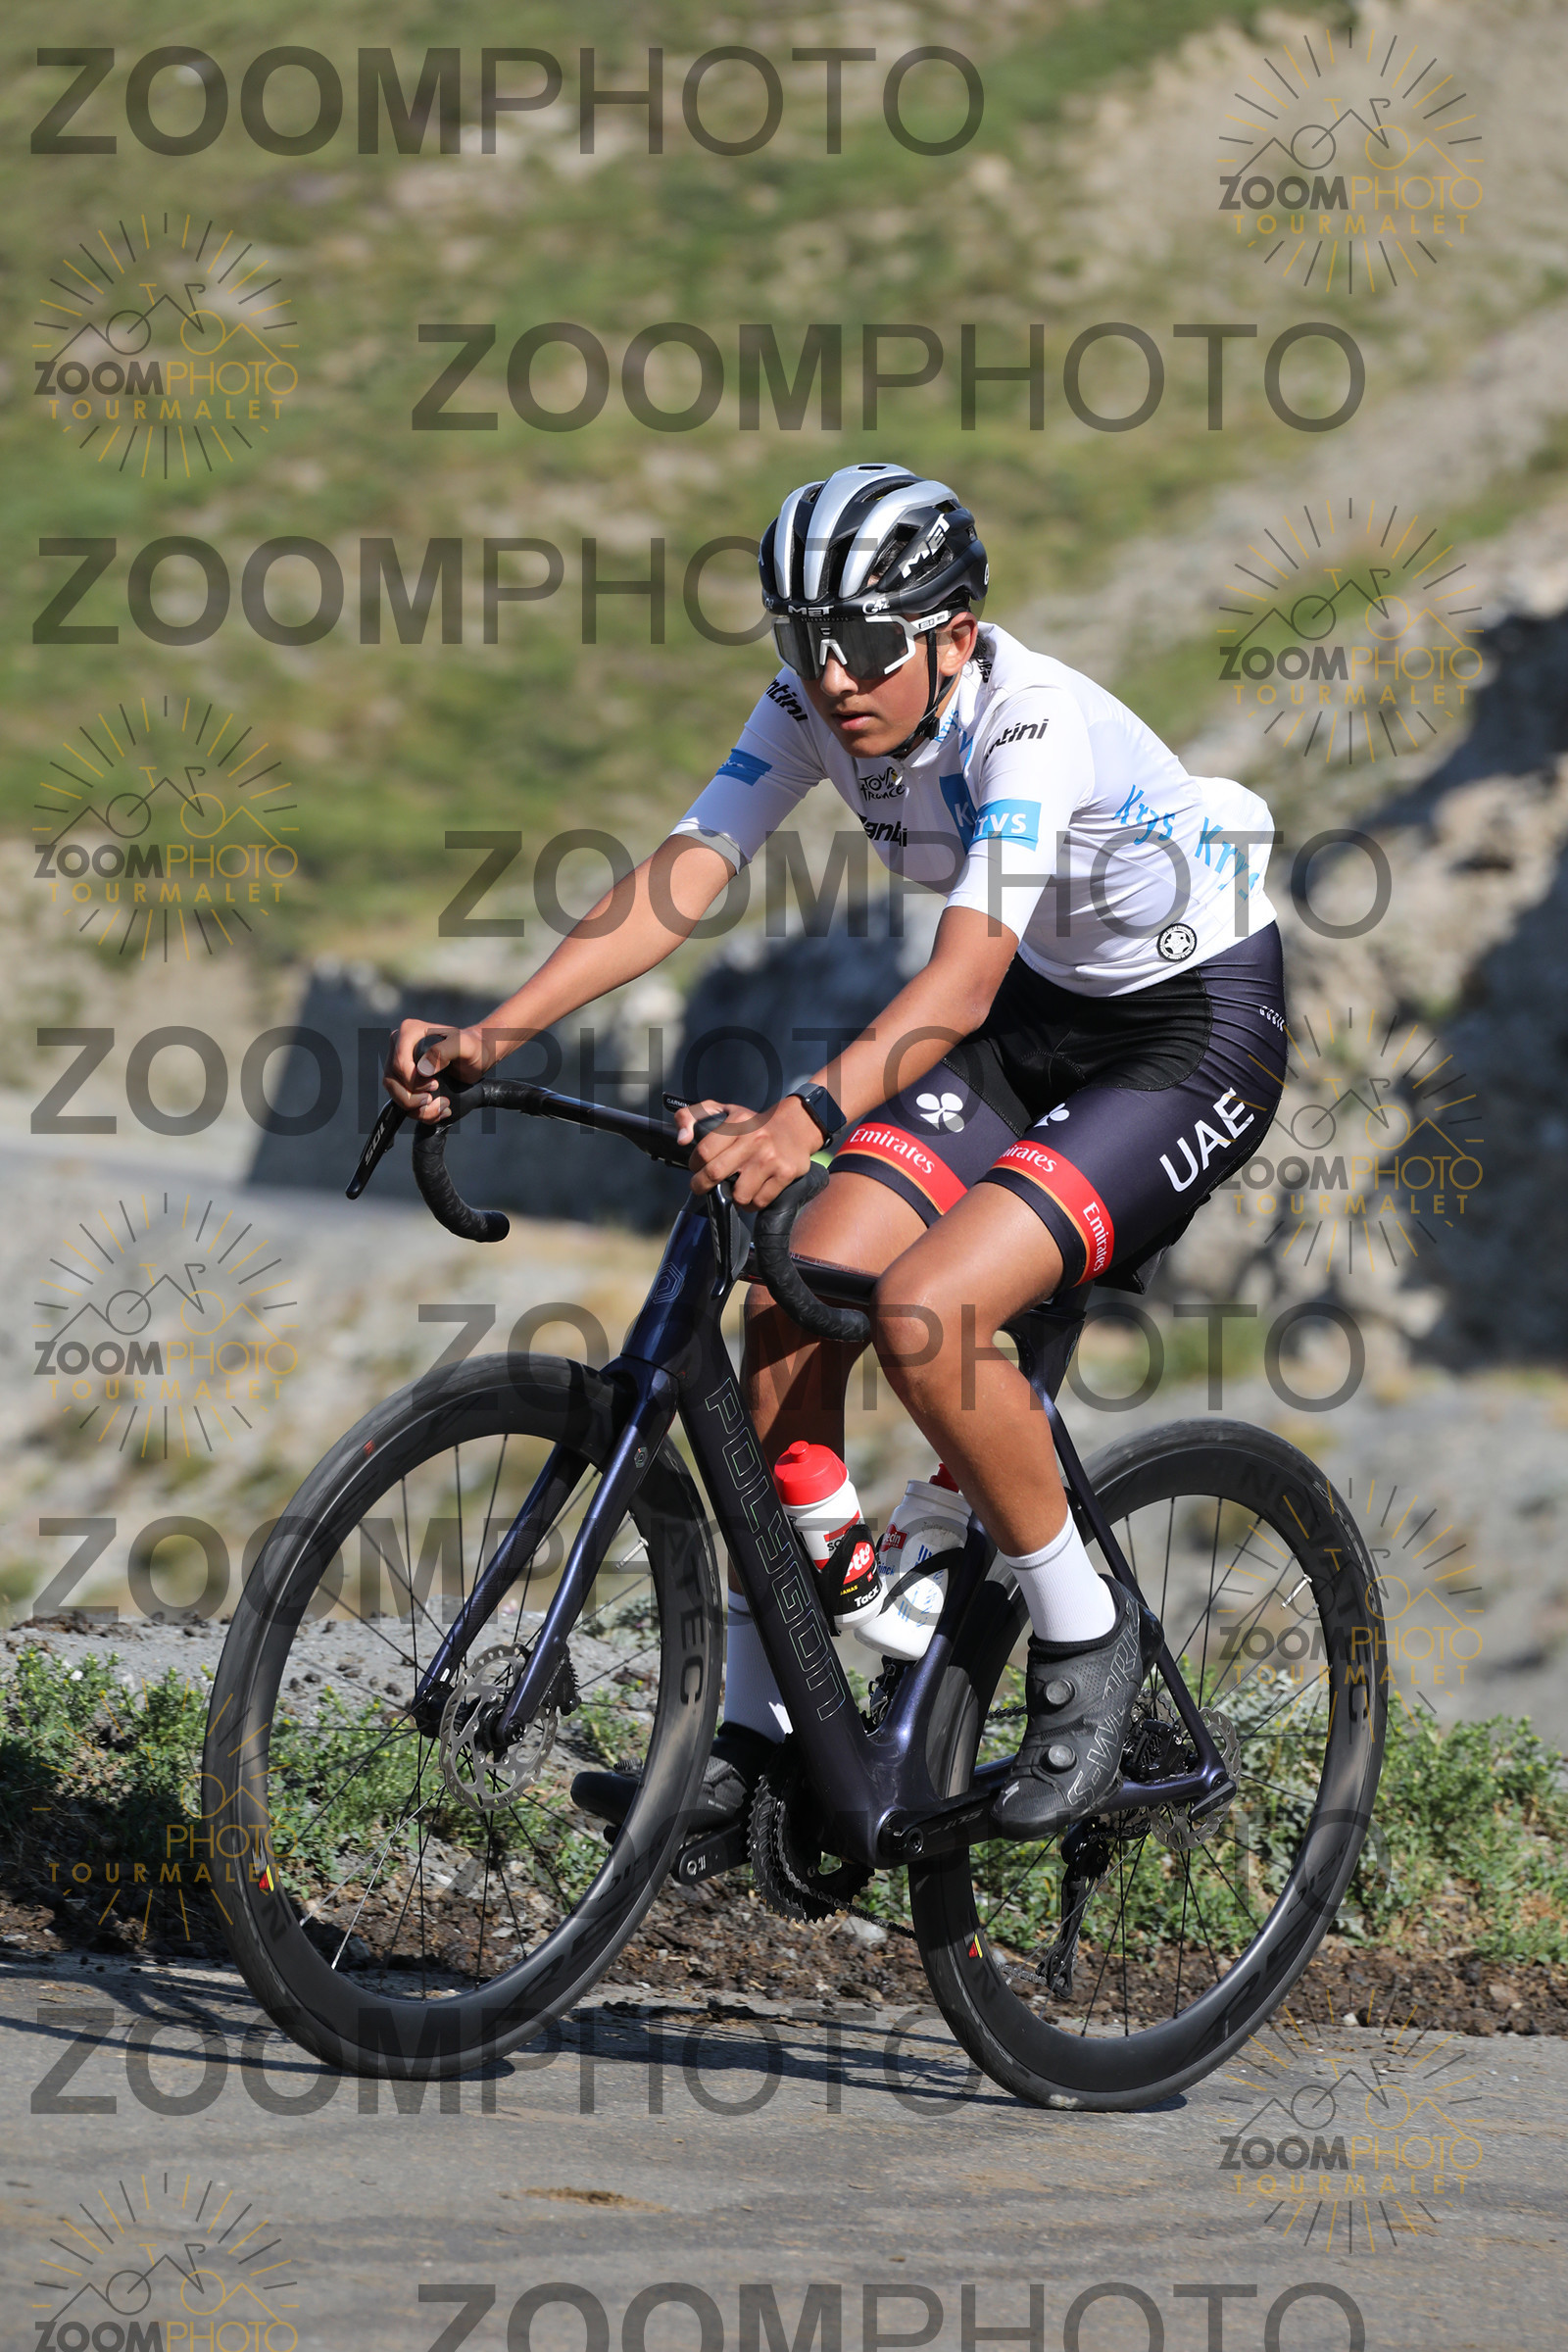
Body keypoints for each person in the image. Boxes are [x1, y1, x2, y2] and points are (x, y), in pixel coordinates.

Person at [384, 460, 1287, 1840]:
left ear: (954, 636)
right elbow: (687, 871)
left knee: (929, 1313)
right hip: (1035, 1017)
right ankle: (761, 1731)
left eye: (866, 641)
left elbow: (957, 985)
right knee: (791, 1290)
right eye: (803, 639)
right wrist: (497, 1031)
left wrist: (802, 1118)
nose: (832, 674)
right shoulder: (815, 697)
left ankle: (1083, 1629)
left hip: (1185, 1034)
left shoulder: (1032, 725)